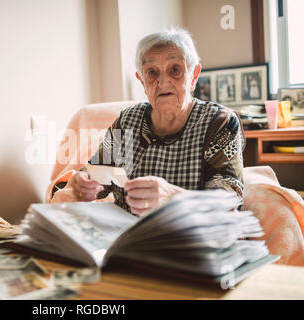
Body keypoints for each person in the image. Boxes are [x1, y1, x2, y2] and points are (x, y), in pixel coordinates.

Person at [53, 28, 245, 216]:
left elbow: (228, 201)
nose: (162, 83)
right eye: (152, 72)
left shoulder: (218, 123)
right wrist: (84, 180)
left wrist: (172, 197)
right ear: (142, 80)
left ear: (194, 75)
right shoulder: (127, 122)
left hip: (191, 237)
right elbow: (100, 170)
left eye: (175, 70)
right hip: (128, 233)